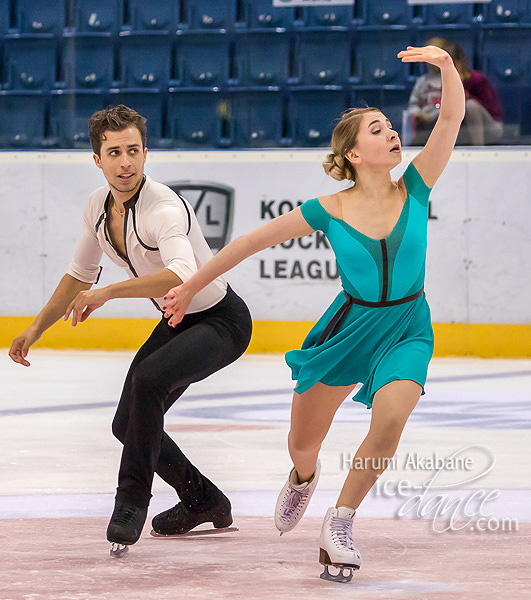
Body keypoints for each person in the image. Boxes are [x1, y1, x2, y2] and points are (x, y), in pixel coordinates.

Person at [162, 45, 465, 582]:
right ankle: (302, 477)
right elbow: (246, 244)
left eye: (390, 128)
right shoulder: (328, 209)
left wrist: (443, 66)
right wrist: (189, 288)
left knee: (391, 420)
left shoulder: (416, 188)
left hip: (408, 326)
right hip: (349, 329)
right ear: (352, 153)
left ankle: (341, 519)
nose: (392, 133)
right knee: (304, 442)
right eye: (376, 130)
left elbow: (451, 117)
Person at [8, 105, 252, 555]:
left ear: (146, 153)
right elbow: (80, 274)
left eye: (134, 151)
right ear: (96, 159)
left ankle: (130, 503)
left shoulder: (163, 207)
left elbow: (182, 271)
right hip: (176, 320)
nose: (126, 162)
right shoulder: (97, 208)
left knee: (149, 380)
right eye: (114, 152)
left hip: (221, 321)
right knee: (128, 423)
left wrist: (109, 293)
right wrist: (37, 327)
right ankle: (204, 499)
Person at [448, 42, 503, 146]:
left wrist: (467, 96)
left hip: (490, 127)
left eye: (454, 64)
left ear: (462, 61)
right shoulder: (447, 82)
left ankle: (478, 147)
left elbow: (491, 107)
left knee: (470, 106)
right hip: (464, 131)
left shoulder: (479, 79)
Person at [406, 37, 449, 145]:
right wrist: (418, 114)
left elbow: (451, 106)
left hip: (441, 122)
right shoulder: (423, 80)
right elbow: (413, 103)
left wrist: (434, 116)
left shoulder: (449, 79)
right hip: (423, 122)